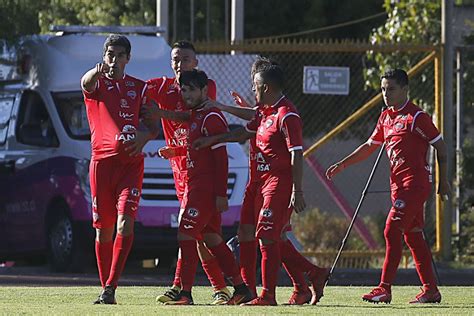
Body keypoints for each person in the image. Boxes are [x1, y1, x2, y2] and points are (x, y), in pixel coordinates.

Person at [193, 61, 329, 306]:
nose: (252, 91)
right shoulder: (265, 111)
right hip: (257, 182)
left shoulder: (287, 115)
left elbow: (297, 154)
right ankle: (252, 290)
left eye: (254, 86)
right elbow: (244, 132)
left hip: (278, 182)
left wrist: (297, 190)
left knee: (267, 236)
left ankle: (268, 295)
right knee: (246, 233)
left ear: (265, 87)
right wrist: (214, 140)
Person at [326, 69, 450, 304]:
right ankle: (431, 290)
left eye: (391, 89)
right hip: (398, 187)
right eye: (383, 89)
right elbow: (369, 146)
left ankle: (384, 288)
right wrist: (343, 164)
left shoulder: (416, 117)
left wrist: (443, 183)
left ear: (405, 89)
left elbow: (441, 147)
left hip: (414, 186)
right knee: (413, 236)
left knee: (391, 230)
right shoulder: (386, 117)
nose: (386, 94)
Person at [139, 40, 231, 305]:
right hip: (182, 172)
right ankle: (224, 289)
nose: (180, 64)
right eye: (176, 59)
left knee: (192, 233)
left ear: (196, 62)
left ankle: (183, 288)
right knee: (202, 236)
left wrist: (161, 113)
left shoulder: (204, 86)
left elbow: (191, 118)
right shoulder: (162, 86)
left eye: (186, 59)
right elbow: (137, 92)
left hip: (202, 177)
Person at [149, 69, 252, 305]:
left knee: (186, 233)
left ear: (205, 90)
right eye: (184, 90)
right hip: (197, 184)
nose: (186, 94)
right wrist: (176, 151)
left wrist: (220, 195)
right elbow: (199, 147)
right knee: (212, 238)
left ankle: (185, 293)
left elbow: (220, 158)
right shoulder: (196, 114)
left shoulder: (211, 117)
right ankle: (240, 288)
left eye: (192, 90)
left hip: (203, 189)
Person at [81, 34, 159, 304]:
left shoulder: (139, 88)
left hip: (130, 166)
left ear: (128, 58)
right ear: (104, 57)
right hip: (102, 165)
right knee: (104, 229)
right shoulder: (97, 83)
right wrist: (95, 71)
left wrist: (144, 136)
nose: (113, 60)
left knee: (125, 223)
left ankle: (110, 287)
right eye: (109, 54)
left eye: (119, 55)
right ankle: (106, 288)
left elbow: (153, 125)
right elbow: (86, 83)